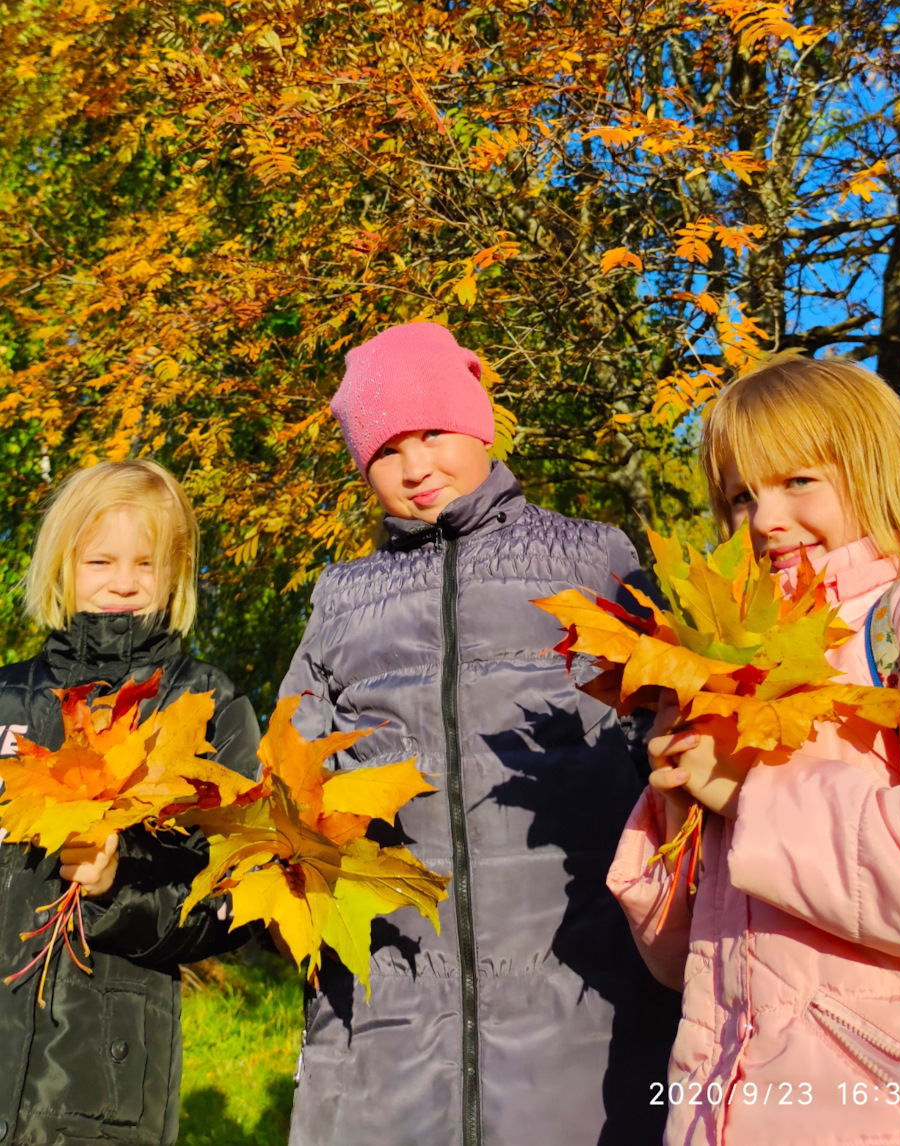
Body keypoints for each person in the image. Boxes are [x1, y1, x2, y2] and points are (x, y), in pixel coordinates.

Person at [280, 320, 679, 1146]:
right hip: (396, 993)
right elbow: (293, 767)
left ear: (481, 425)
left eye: (432, 433)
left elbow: (668, 728)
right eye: (386, 451)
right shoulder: (341, 599)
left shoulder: (593, 558)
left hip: (581, 982)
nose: (416, 467)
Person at [608, 353, 900, 1145]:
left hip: (892, 1109)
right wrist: (677, 803)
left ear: (876, 468)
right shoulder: (734, 667)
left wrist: (749, 794)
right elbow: (679, 963)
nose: (763, 520)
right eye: (740, 495)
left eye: (798, 481)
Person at [0, 459, 260, 1146]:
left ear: (174, 574)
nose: (122, 583)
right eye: (101, 561)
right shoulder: (8, 701)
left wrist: (118, 885)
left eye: (145, 564)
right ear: (62, 565)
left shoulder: (203, 706)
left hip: (102, 1073)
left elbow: (231, 903)